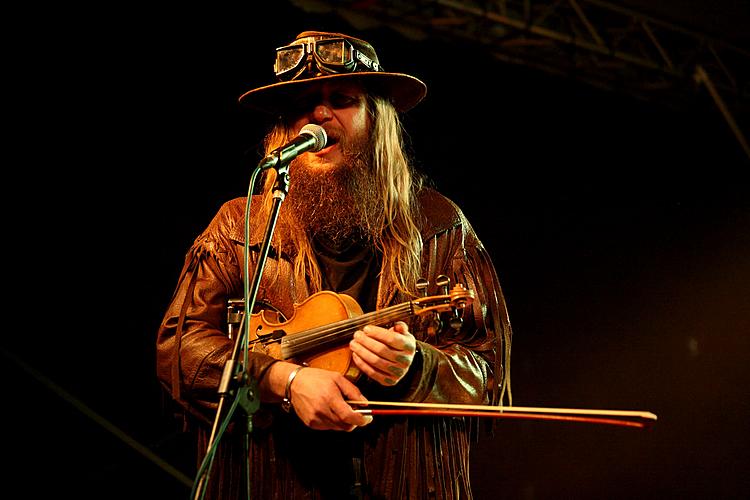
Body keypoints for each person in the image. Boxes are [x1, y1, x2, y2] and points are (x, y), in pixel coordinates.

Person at [156, 29, 513, 499]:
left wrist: (416, 368)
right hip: (271, 481)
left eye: (341, 99)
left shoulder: (440, 226)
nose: (319, 114)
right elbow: (179, 350)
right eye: (304, 103)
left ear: (376, 121)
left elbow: (488, 373)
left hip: (404, 481)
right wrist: (284, 379)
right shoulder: (237, 225)